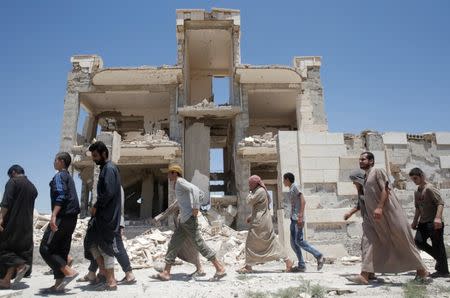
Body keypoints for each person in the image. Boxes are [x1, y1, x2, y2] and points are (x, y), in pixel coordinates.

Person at [347, 152, 429, 284]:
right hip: (372, 219)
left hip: (388, 214)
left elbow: (386, 189)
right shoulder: (367, 177)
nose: (360, 161)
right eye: (359, 159)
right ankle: (365, 275)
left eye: (363, 159)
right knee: (368, 241)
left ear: (371, 161)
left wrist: (379, 207)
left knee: (401, 240)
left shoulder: (378, 171)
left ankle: (421, 270)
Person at [153, 164, 226, 281]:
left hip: (189, 220)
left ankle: (219, 268)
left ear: (175, 173)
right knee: (173, 244)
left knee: (199, 244)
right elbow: (178, 203)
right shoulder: (178, 184)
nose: (168, 175)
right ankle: (166, 272)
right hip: (184, 221)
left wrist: (195, 206)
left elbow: (195, 190)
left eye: (170, 172)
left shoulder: (180, 181)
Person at [39, 152, 80, 293]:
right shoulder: (69, 177)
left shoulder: (59, 176)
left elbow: (61, 195)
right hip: (72, 219)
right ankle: (59, 284)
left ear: (61, 161)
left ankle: (69, 272)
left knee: (46, 248)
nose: (53, 162)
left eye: (55, 159)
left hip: (62, 216)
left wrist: (53, 215)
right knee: (61, 250)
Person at [84, 141, 122, 291]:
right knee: (92, 242)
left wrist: (96, 206)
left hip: (107, 216)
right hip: (103, 215)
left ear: (104, 154)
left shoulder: (109, 169)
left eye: (95, 156)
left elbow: (108, 192)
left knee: (106, 247)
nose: (94, 159)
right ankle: (104, 273)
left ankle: (111, 281)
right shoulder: (106, 169)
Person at [79, 187, 136, 285]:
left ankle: (128, 274)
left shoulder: (114, 185)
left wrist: (120, 224)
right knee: (95, 244)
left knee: (116, 247)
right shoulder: (111, 184)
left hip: (112, 222)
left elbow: (118, 207)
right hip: (105, 222)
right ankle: (92, 273)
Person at [237, 175, 293, 274]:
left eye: (250, 183)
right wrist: (251, 216)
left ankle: (248, 266)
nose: (249, 185)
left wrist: (249, 193)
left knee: (250, 243)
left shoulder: (259, 191)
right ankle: (287, 261)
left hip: (260, 222)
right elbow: (260, 207)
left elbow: (249, 201)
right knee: (271, 242)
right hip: (262, 220)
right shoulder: (260, 191)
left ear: (255, 183)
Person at [0, 165, 37, 289]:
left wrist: (0, 218)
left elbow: (6, 202)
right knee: (14, 252)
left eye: (10, 175)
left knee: (3, 249)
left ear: (14, 172)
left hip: (12, 224)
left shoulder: (13, 182)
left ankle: (21, 265)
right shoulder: (32, 187)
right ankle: (6, 280)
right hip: (27, 227)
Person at [409, 167, 448, 278]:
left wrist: (438, 218)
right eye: (412, 179)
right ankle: (440, 259)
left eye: (415, 178)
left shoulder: (430, 188)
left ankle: (443, 271)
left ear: (421, 176)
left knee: (438, 245)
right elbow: (417, 208)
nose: (414, 181)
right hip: (423, 222)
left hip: (434, 222)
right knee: (418, 241)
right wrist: (415, 221)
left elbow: (440, 203)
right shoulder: (417, 191)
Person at [282, 173, 325, 272]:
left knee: (299, 241)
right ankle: (301, 265)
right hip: (293, 219)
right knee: (294, 243)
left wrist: (300, 215)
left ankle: (319, 256)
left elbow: (303, 201)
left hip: (298, 218)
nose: (283, 182)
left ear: (287, 179)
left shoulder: (295, 187)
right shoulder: (291, 188)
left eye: (284, 180)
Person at [343, 170, 375, 282]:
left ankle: (364, 275)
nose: (353, 184)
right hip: (367, 222)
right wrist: (350, 213)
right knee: (366, 247)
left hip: (373, 223)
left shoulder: (368, 191)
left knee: (367, 247)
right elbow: (359, 205)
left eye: (354, 181)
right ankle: (370, 273)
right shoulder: (361, 191)